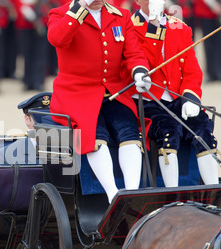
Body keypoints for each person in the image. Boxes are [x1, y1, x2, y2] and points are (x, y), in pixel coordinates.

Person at [47, 0, 152, 203]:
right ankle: (113, 194)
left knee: (129, 130)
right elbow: (57, 38)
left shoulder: (121, 15)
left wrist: (139, 71)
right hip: (76, 92)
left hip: (113, 90)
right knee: (95, 135)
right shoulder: (60, 13)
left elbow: (134, 53)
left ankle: (132, 194)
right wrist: (80, 8)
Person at [131, 0, 219, 187]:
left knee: (204, 129)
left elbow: (191, 69)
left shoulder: (180, 27)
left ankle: (212, 190)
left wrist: (191, 97)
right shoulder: (130, 27)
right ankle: (173, 195)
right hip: (148, 99)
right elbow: (144, 61)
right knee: (169, 131)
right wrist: (154, 26)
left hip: (176, 97)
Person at [0, 92, 51, 165]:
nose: (47, 122)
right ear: (28, 120)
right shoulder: (6, 155)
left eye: (53, 117)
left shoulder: (70, 150)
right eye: (39, 118)